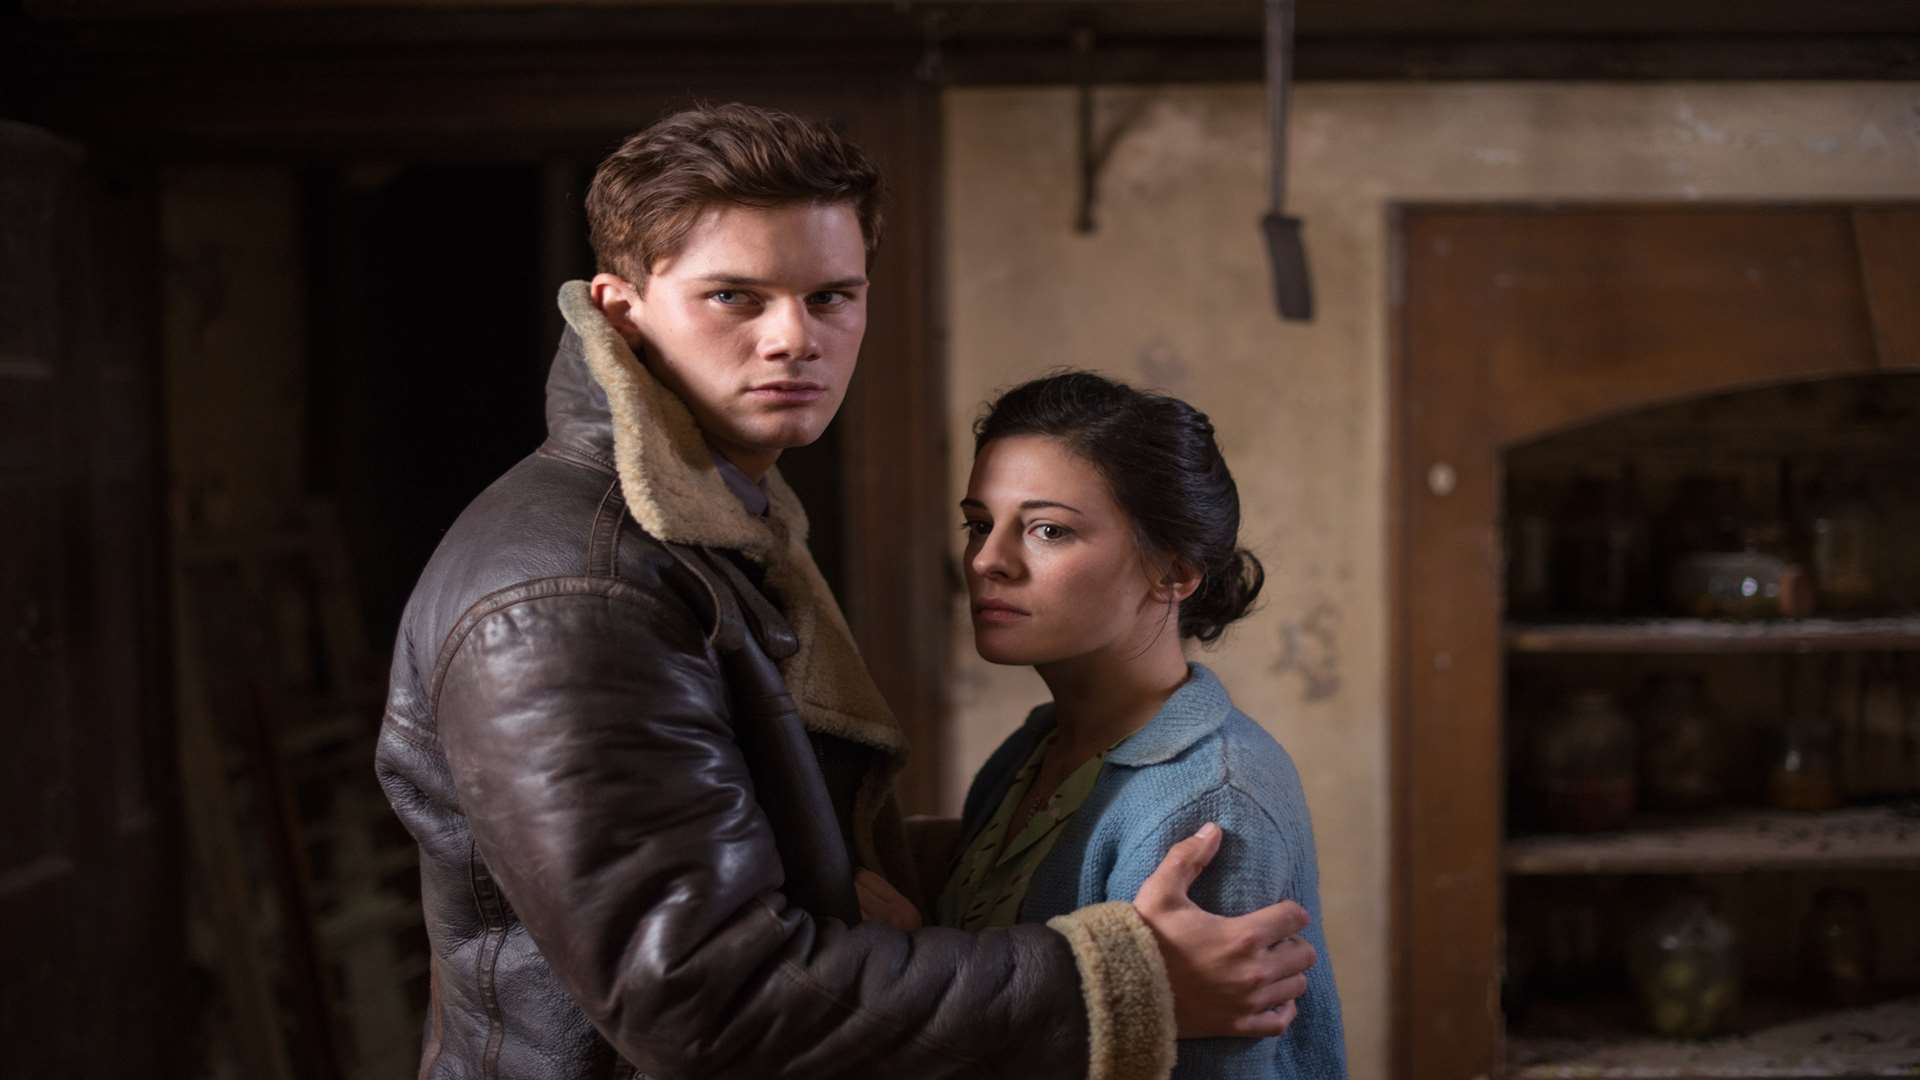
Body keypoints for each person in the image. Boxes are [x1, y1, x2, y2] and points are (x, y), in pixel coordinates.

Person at [374, 103, 1316, 1080]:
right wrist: (1114, 979)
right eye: (736, 297)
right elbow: (707, 1002)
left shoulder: (721, 527)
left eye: (831, 296)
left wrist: (889, 878)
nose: (795, 337)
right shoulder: (579, 591)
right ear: (623, 309)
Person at [934, 372, 1347, 1078]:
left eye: (1047, 530)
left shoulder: (1208, 801)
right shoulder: (1033, 750)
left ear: (1173, 572)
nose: (986, 561)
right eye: (980, 524)